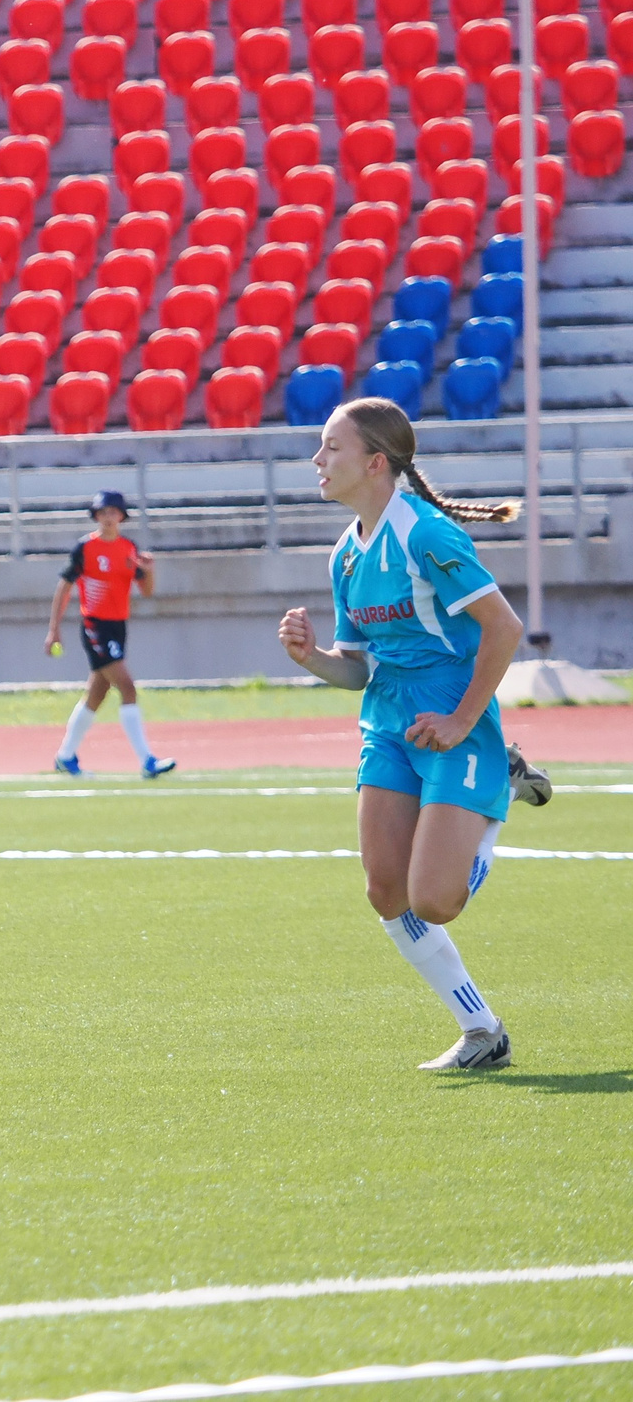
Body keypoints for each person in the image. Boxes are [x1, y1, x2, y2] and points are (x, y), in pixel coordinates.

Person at [278, 397, 526, 1071]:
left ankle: (499, 778)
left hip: (455, 724)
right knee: (385, 891)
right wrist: (310, 659)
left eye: (331, 446)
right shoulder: (346, 556)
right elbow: (357, 667)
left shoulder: (427, 535)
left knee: (434, 900)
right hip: (387, 725)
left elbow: (504, 629)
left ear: (375, 461)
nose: (318, 459)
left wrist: (462, 720)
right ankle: (482, 1031)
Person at [44, 489, 176, 778]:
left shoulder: (129, 548)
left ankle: (65, 756)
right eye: (103, 513)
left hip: (118, 626)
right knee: (127, 687)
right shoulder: (85, 548)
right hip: (95, 625)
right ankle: (147, 760)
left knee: (97, 694)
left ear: (121, 516)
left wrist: (150, 571)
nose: (108, 518)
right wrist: (54, 629)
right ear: (96, 516)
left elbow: (147, 590)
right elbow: (65, 586)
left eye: (113, 512)